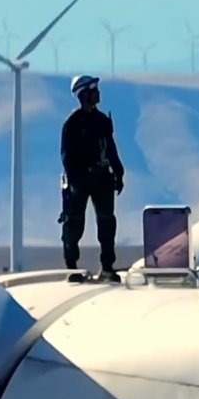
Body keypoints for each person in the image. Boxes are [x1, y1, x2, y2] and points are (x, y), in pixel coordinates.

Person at [60, 74, 124, 281]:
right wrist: (77, 179)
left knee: (107, 222)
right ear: (84, 94)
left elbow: (110, 147)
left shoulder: (102, 120)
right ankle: (73, 269)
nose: (98, 92)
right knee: (74, 224)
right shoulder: (72, 123)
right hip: (80, 181)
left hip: (102, 179)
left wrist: (118, 171)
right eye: (93, 89)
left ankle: (107, 267)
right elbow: (67, 156)